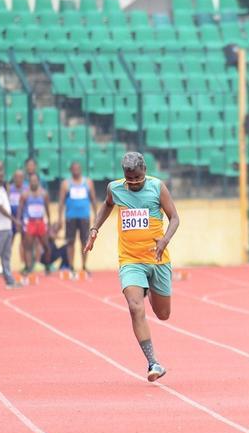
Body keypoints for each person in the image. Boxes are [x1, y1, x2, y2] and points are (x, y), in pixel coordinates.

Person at [85, 151, 181, 381]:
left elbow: (175, 217)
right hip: (130, 260)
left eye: (138, 179)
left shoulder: (158, 187)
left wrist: (165, 239)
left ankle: (147, 288)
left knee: (163, 314)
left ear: (145, 171)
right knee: (135, 307)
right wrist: (94, 229)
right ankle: (153, 363)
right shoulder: (115, 188)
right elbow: (107, 206)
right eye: (131, 180)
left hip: (157, 260)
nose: (135, 184)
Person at [58, 161, 95, 278]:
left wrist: (96, 216)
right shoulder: (65, 183)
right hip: (71, 217)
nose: (76, 170)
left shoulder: (88, 182)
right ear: (70, 170)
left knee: (85, 242)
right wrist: (59, 218)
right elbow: (61, 202)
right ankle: (71, 266)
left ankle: (84, 266)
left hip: (84, 216)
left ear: (81, 169)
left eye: (77, 168)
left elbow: (93, 199)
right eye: (73, 169)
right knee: (70, 242)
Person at [19, 171, 51, 273]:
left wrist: (49, 221)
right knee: (28, 246)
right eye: (31, 181)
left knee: (46, 245)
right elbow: (20, 209)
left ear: (38, 181)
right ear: (29, 182)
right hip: (30, 222)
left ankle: (47, 265)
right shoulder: (25, 194)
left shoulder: (44, 193)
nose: (33, 182)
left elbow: (47, 208)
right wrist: (19, 222)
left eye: (35, 180)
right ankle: (28, 267)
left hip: (41, 222)